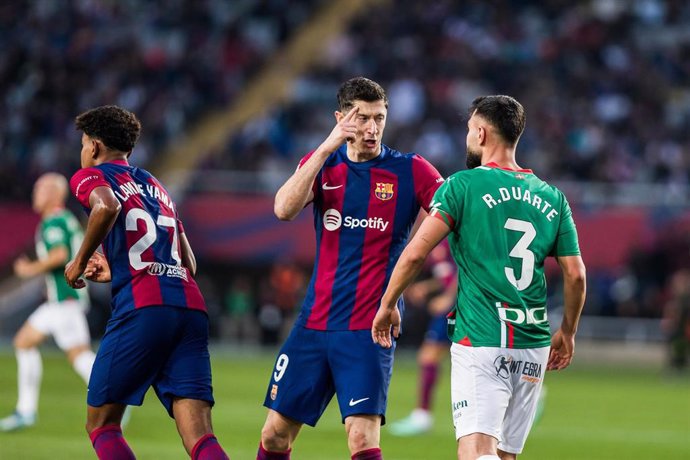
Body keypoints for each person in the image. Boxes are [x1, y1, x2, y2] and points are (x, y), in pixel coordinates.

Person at [372, 95, 586, 460]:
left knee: (475, 454)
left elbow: (415, 252)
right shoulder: (553, 198)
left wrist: (388, 303)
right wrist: (567, 331)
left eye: (470, 129)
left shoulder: (463, 186)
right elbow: (576, 275)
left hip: (482, 339)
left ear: (482, 133)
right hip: (533, 344)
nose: (468, 137)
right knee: (504, 455)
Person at [257, 77, 443, 460]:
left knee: (361, 439)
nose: (372, 128)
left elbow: (454, 212)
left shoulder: (411, 170)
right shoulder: (322, 165)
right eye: (361, 118)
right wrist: (327, 146)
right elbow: (283, 209)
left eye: (379, 118)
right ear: (341, 118)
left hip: (368, 326)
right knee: (275, 435)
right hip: (313, 324)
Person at [64, 105, 229, 460]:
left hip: (144, 307)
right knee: (200, 436)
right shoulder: (155, 184)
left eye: (82, 144)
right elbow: (190, 263)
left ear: (93, 146)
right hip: (189, 306)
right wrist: (115, 265)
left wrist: (79, 261)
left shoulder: (90, 176)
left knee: (102, 425)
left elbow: (105, 207)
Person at [0, 173, 96, 432]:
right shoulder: (63, 220)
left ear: (54, 193)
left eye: (40, 189)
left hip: (65, 300)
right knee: (29, 343)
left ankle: (114, 397)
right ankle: (25, 411)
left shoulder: (55, 221)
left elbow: (60, 255)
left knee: (78, 355)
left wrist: (29, 270)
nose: (35, 194)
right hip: (63, 300)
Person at [388, 242, 455, 436]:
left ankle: (422, 417)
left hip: (460, 302)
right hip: (460, 300)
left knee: (429, 356)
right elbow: (448, 273)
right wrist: (427, 287)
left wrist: (449, 298)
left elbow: (469, 266)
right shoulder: (436, 237)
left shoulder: (448, 229)